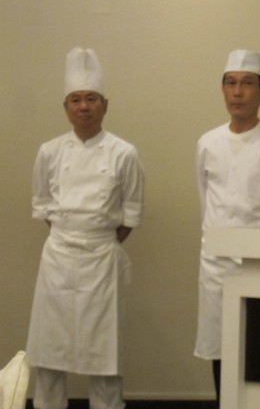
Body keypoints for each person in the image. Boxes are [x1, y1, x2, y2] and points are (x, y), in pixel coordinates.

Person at [26, 47, 145, 409]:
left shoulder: (124, 153)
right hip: (58, 256)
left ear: (105, 105)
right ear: (65, 107)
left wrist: (96, 238)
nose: (83, 107)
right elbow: (43, 204)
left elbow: (130, 215)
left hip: (101, 258)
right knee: (50, 347)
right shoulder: (49, 152)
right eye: (75, 100)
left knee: (105, 349)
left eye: (91, 99)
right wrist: (69, 234)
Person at [194, 49, 260, 408]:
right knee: (221, 352)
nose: (237, 92)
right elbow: (206, 204)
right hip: (216, 267)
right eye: (230, 83)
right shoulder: (207, 143)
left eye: (247, 84)